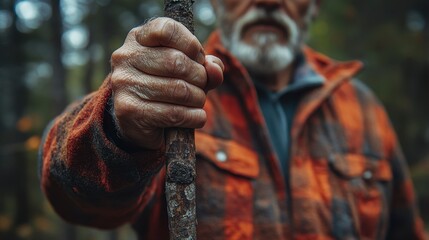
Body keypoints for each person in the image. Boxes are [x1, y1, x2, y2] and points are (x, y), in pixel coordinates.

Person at [39, 0, 426, 239]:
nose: (268, 1)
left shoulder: (363, 109)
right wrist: (117, 126)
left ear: (313, 6)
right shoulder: (169, 87)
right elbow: (77, 200)